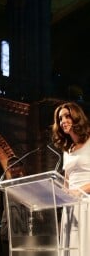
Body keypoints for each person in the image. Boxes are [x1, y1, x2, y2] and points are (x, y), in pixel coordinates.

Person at [51, 101, 90, 256]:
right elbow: (67, 181)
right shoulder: (67, 150)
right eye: (60, 119)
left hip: (87, 203)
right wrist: (62, 192)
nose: (63, 121)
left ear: (77, 117)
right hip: (71, 206)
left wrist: (79, 192)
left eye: (67, 116)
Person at [0, 155, 27, 256]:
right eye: (10, 166)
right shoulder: (4, 185)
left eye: (15, 166)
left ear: (21, 167)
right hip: (7, 229)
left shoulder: (28, 183)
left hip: (23, 230)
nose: (12, 169)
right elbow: (0, 207)